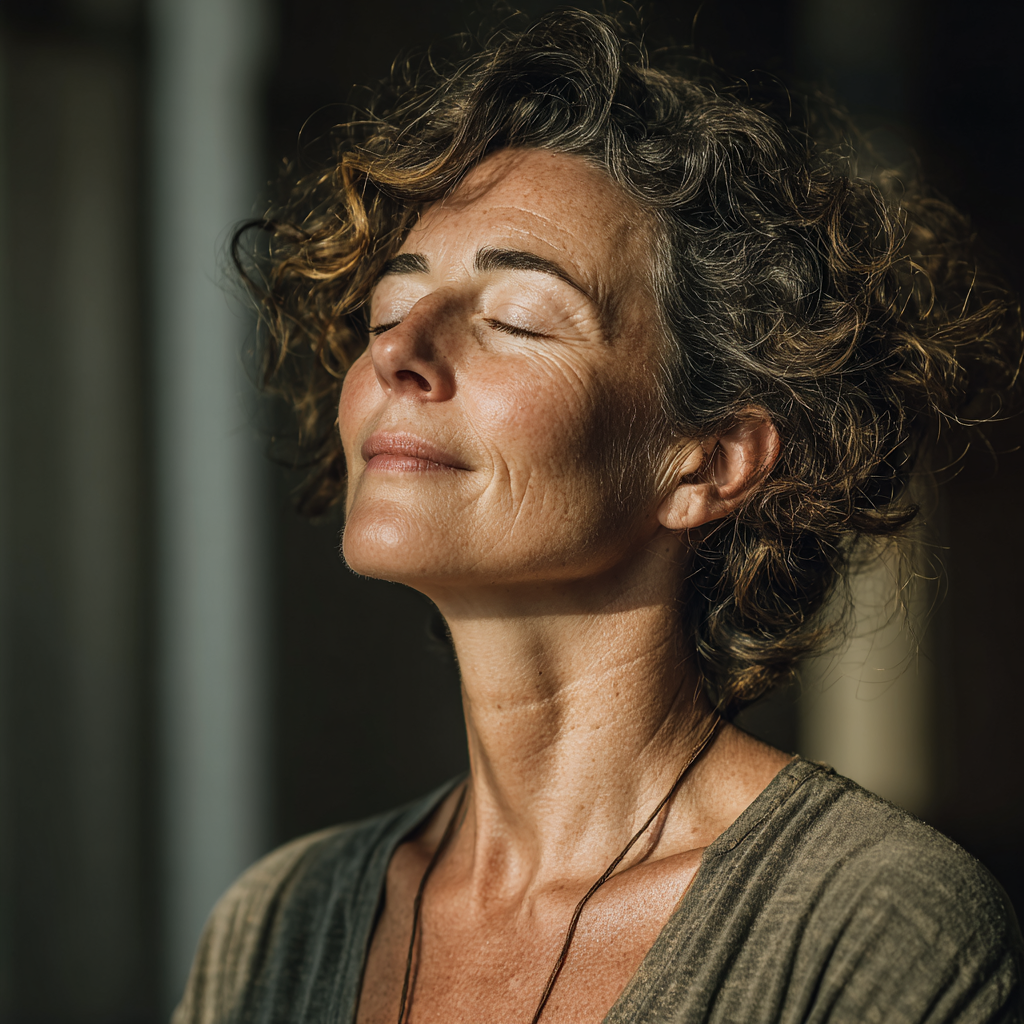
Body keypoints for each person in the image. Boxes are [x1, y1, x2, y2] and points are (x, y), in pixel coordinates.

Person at [175, 10, 1022, 1023]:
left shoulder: (869, 928)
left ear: (708, 460)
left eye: (515, 320)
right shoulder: (274, 925)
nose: (398, 356)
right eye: (387, 314)